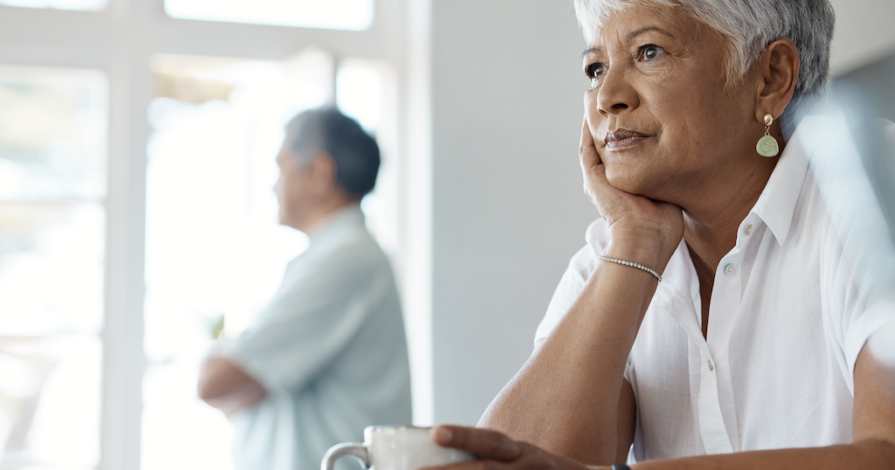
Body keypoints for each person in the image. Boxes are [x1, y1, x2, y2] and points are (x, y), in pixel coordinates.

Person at [423, 0, 895, 469]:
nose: (607, 96)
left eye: (649, 52)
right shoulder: (614, 255)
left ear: (771, 77)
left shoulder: (873, 185)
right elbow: (514, 460)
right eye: (594, 68)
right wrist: (635, 244)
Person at [197, 108, 412, 470]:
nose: (273, 184)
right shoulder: (334, 256)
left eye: (281, 166)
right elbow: (238, 387)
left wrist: (237, 362)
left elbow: (214, 381)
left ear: (319, 172)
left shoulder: (345, 260)